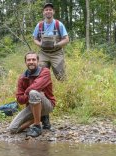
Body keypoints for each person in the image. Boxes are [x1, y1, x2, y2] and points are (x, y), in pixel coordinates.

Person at [33, 2, 69, 130]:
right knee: (41, 76)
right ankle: (43, 97)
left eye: (50, 10)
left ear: (53, 12)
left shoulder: (59, 24)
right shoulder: (40, 25)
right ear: (43, 12)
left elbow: (66, 39)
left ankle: (67, 98)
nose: (48, 11)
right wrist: (40, 44)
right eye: (46, 10)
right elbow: (35, 39)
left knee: (61, 76)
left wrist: (57, 45)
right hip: (43, 53)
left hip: (56, 53)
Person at [8, 51, 56, 137]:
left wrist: (26, 93)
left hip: (48, 104)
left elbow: (36, 87)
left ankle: (37, 126)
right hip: (32, 106)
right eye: (28, 60)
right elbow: (20, 99)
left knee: (33, 92)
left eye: (33, 59)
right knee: (13, 129)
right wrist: (28, 95)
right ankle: (39, 117)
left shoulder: (45, 72)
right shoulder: (22, 77)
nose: (31, 62)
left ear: (38, 61)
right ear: (25, 62)